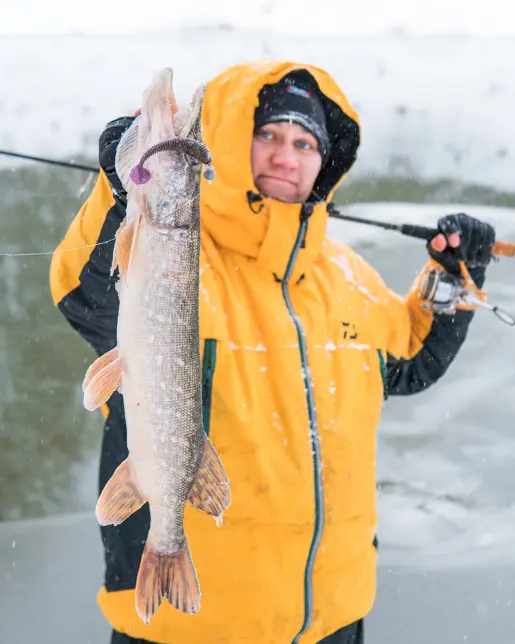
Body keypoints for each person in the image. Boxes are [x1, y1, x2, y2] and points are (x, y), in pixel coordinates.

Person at [49, 60, 495, 644]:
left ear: (326, 158)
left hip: (332, 619)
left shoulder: (348, 275)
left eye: (304, 141)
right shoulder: (183, 248)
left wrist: (456, 276)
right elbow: (87, 298)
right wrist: (118, 188)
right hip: (193, 626)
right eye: (269, 134)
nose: (287, 154)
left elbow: (408, 363)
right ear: (234, 141)